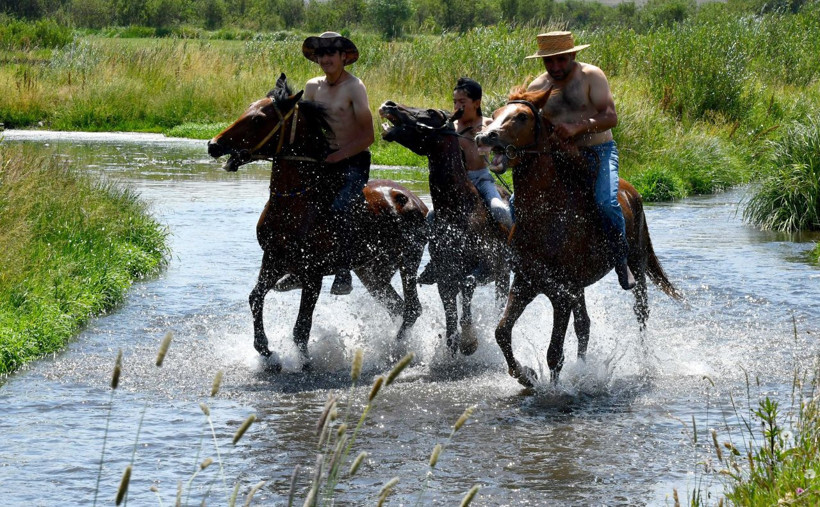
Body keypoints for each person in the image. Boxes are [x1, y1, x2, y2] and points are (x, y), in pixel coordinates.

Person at [525, 31, 635, 290]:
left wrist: (577, 128)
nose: (555, 66)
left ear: (573, 54)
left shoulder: (591, 76)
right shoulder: (537, 87)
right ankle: (523, 257)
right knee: (517, 202)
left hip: (599, 151)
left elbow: (610, 117)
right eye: (549, 61)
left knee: (606, 202)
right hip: (558, 157)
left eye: (560, 60)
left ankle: (621, 258)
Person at [275, 32, 375, 295]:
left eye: (331, 53)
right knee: (295, 203)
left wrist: (337, 157)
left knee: (341, 207)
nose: (325, 59)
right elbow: (306, 129)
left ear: (343, 56)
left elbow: (368, 137)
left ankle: (343, 272)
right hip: (321, 160)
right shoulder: (312, 87)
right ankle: (298, 268)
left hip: (353, 161)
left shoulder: (355, 87)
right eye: (321, 54)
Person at [417, 77, 513, 285]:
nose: (457, 106)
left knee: (500, 210)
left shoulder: (488, 124)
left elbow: (503, 152)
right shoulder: (451, 127)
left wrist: (492, 150)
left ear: (476, 103)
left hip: (482, 179)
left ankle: (510, 254)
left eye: (462, 102)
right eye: (455, 102)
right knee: (431, 217)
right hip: (459, 184)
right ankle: (435, 262)